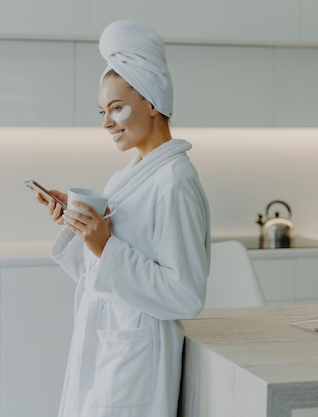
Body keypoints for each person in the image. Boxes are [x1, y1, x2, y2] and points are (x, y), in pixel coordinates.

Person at [35, 20, 211, 417]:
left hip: (139, 354)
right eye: (102, 111)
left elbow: (185, 293)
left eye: (116, 108)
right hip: (108, 342)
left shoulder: (174, 181)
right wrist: (80, 227)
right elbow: (103, 271)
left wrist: (105, 246)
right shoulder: (126, 176)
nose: (106, 123)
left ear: (152, 101)